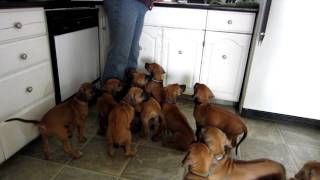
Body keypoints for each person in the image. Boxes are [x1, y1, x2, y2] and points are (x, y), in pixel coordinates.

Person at [102, 0, 154, 84]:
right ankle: (110, 95)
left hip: (141, 4)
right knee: (119, 55)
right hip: (125, 2)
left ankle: (127, 92)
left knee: (132, 55)